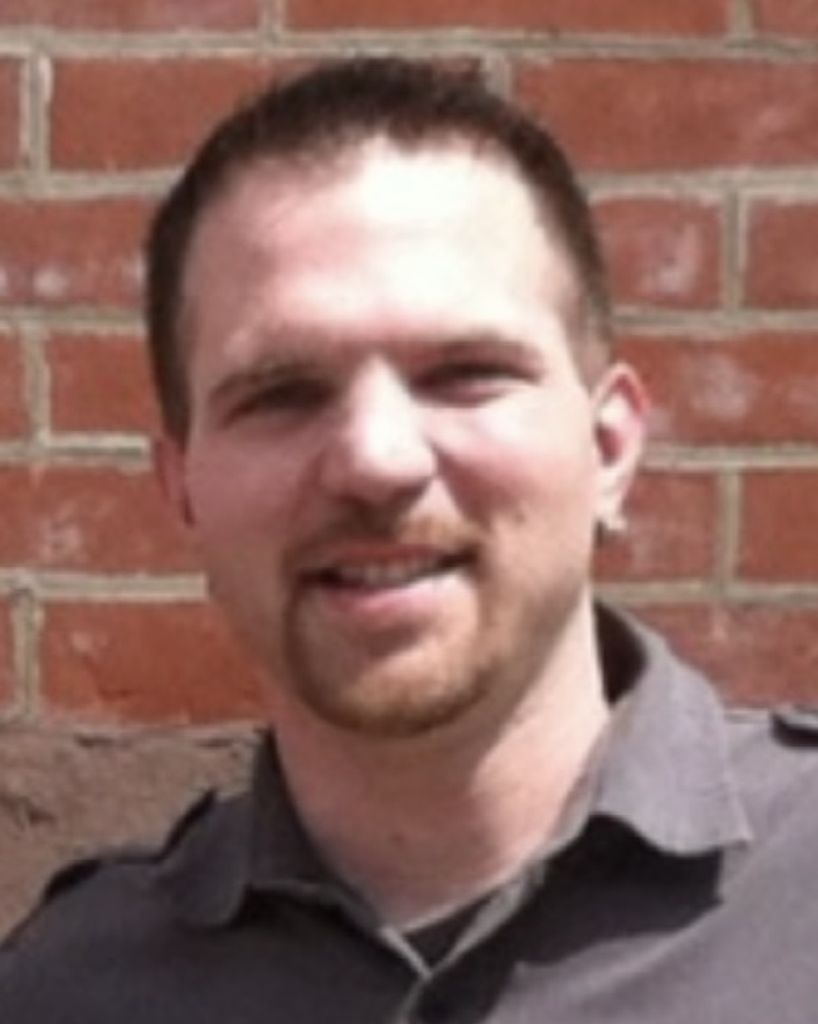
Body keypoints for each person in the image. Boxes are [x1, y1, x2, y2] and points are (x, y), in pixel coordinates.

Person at [1, 56, 817, 1023]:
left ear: (607, 448)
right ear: (183, 490)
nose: (376, 461)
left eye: (464, 373)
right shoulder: (67, 991)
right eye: (282, 393)